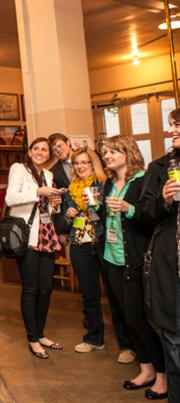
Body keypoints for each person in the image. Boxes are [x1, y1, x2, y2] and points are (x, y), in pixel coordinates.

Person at [99, 135, 166, 399]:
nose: (108, 156)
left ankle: (162, 376)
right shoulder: (108, 183)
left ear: (128, 153)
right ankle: (146, 369)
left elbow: (150, 219)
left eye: (114, 151)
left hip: (134, 259)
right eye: (105, 152)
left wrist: (128, 207)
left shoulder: (141, 181)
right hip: (111, 258)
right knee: (127, 319)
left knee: (139, 321)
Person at [5, 137, 64, 359]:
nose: (40, 152)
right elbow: (10, 198)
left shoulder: (48, 175)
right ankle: (32, 338)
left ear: (49, 155)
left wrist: (55, 204)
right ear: (29, 152)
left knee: (46, 287)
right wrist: (39, 193)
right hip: (27, 236)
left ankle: (41, 334)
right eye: (36, 149)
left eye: (45, 150)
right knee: (31, 289)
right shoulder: (19, 169)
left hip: (47, 235)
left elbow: (47, 210)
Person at [138, 108, 180, 401]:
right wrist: (164, 201)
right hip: (171, 266)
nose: (172, 131)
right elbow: (143, 212)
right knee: (175, 343)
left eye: (178, 126)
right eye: (172, 126)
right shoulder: (159, 167)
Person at [60, 148, 107, 353]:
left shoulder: (104, 185)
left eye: (84, 163)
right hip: (79, 244)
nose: (80, 167)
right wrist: (67, 214)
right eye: (77, 163)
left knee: (115, 294)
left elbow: (110, 216)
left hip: (104, 242)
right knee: (89, 294)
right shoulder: (71, 189)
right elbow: (63, 221)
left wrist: (97, 206)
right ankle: (94, 338)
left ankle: (127, 344)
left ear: (93, 164)